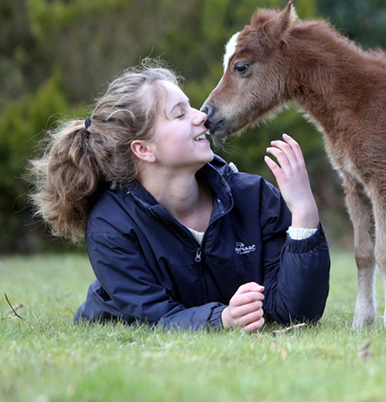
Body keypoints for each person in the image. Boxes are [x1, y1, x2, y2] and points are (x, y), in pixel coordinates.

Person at [29, 59, 330, 332]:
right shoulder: (111, 227)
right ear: (143, 149)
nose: (201, 117)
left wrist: (303, 212)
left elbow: (296, 314)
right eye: (179, 114)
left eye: (191, 107)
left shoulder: (256, 198)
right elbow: (157, 318)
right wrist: (224, 318)